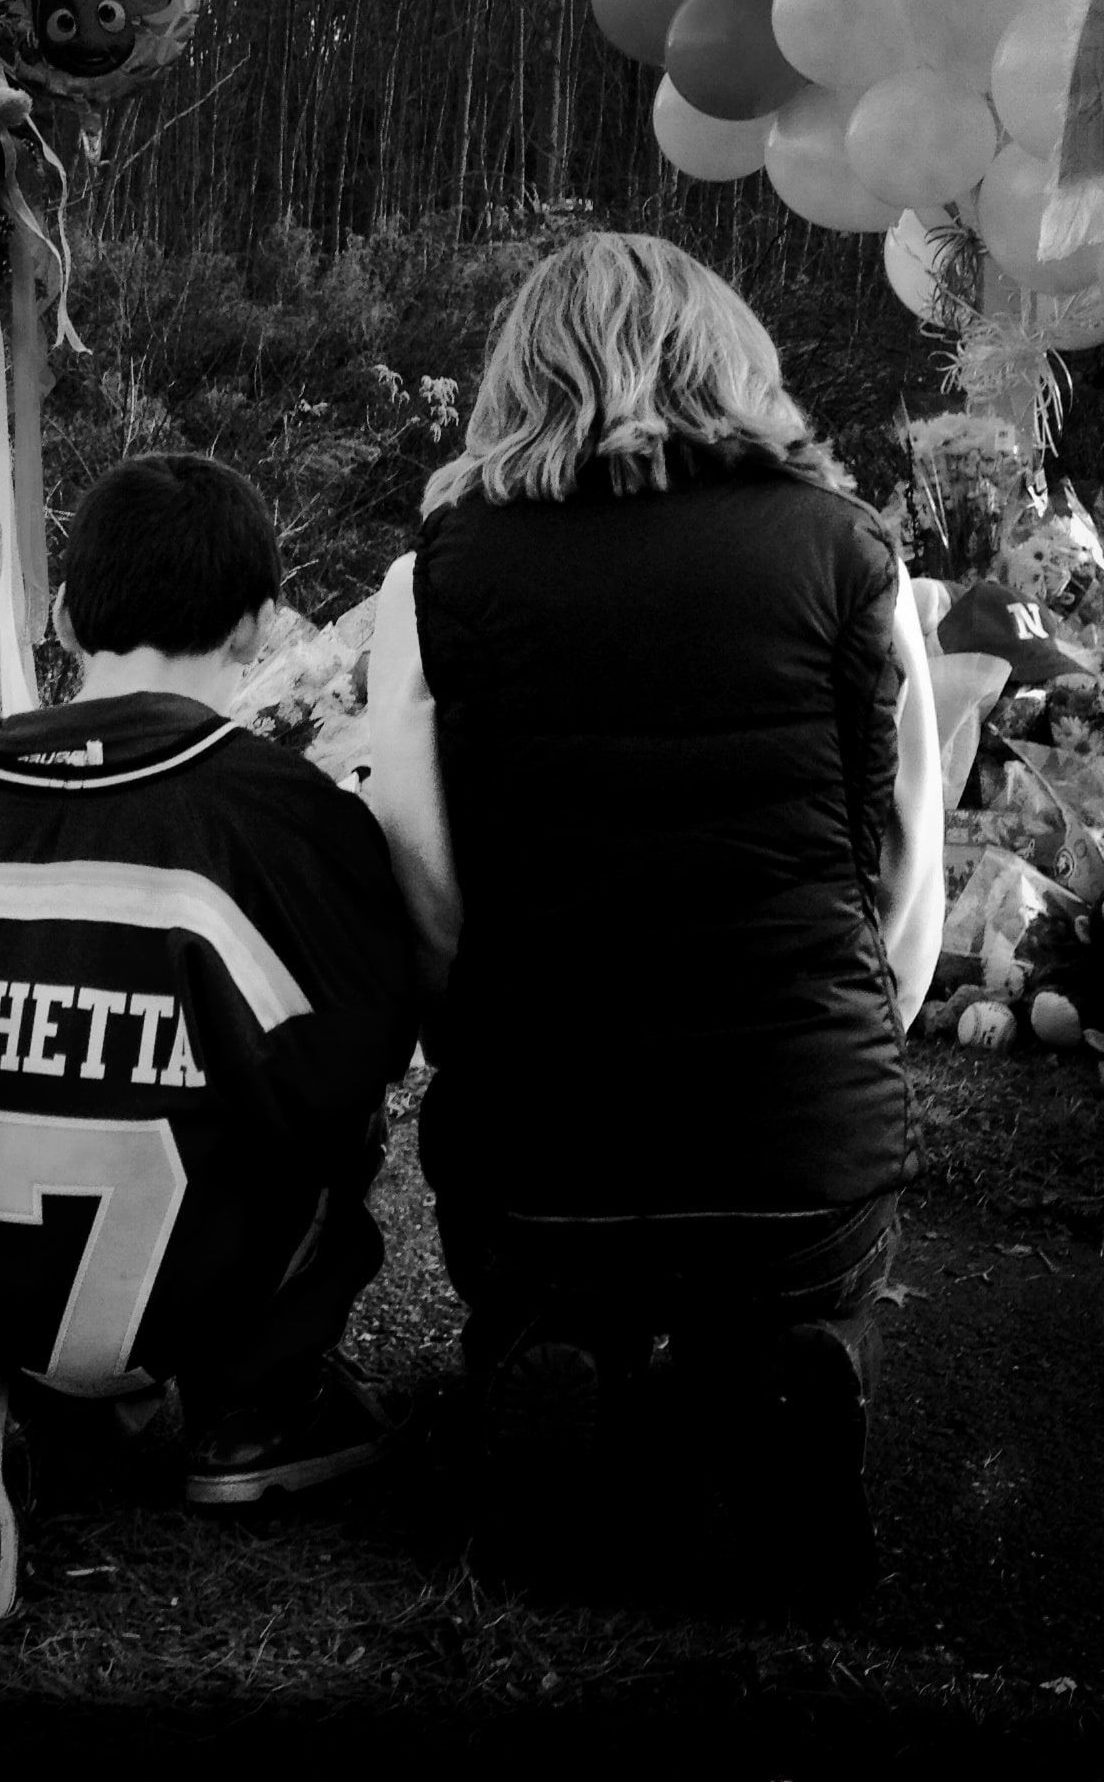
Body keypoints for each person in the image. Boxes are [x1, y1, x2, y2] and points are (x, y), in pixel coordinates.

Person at [363, 231, 943, 1608]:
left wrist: (466, 1031)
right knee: (799, 1268)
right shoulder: (855, 556)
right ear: (735, 363)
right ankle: (793, 1355)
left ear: (522, 374)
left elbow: (417, 858)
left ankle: (560, 1352)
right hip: (800, 1131)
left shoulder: (435, 577)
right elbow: (905, 851)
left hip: (543, 1138)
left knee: (544, 1265)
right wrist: (864, 1030)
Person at [0, 453, 419, 1629]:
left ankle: (0, 1368)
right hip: (160, 1300)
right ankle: (250, 1408)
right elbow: (349, 1066)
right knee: (326, 1079)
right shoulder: (280, 807)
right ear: (265, 625)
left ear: (62, 613)